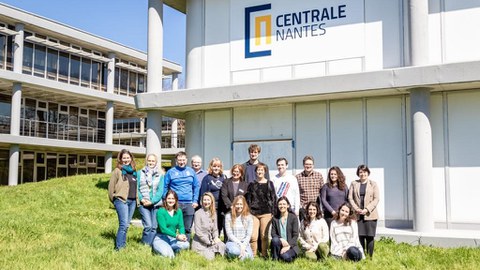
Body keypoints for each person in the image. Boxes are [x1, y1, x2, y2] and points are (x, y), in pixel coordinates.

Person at [163, 151, 200, 241]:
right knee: (175, 225)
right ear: (176, 160)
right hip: (175, 203)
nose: (181, 162)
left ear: (186, 160)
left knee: (187, 227)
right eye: (179, 160)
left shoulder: (191, 171)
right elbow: (164, 186)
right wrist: (165, 200)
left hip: (189, 203)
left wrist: (195, 200)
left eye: (183, 160)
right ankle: (174, 243)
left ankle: (185, 244)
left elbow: (196, 186)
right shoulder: (171, 172)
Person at [108, 149, 138, 251]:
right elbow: (111, 187)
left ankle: (123, 245)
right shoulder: (117, 171)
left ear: (131, 158)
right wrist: (114, 199)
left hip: (132, 201)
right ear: (120, 159)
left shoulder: (134, 172)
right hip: (121, 201)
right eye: (124, 158)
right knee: (123, 224)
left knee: (126, 225)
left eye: (128, 157)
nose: (126, 159)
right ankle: (119, 248)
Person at [246, 162, 277, 257]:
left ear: (265, 172)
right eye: (258, 170)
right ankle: (253, 255)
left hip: (266, 213)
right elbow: (248, 199)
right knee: (253, 236)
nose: (259, 172)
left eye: (261, 170)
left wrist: (273, 211)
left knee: (264, 235)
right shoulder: (251, 184)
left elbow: (274, 198)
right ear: (256, 172)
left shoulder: (269, 183)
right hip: (253, 213)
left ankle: (264, 254)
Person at [348, 164, 380, 258]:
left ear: (368, 173)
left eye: (365, 172)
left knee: (370, 236)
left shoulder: (373, 184)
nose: (363, 174)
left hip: (370, 214)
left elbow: (376, 199)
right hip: (357, 214)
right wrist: (356, 209)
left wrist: (367, 209)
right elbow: (350, 198)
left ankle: (370, 257)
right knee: (360, 236)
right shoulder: (354, 183)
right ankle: (362, 255)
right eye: (361, 172)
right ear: (358, 173)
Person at [152, 190, 190, 258]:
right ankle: (164, 250)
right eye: (169, 198)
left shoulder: (178, 211)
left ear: (176, 200)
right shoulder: (161, 211)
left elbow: (181, 226)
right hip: (161, 238)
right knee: (170, 256)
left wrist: (182, 234)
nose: (171, 200)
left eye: (173, 199)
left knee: (186, 244)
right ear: (165, 199)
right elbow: (163, 229)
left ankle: (169, 248)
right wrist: (177, 236)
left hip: (173, 239)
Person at [137, 153, 164, 245]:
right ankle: (144, 244)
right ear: (146, 161)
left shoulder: (160, 175)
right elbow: (136, 188)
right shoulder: (140, 173)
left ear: (156, 162)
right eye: (149, 160)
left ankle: (150, 245)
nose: (151, 162)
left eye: (153, 161)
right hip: (143, 203)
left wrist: (152, 201)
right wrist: (141, 199)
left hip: (155, 204)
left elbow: (160, 191)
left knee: (154, 226)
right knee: (148, 225)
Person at [192, 192, 226, 260]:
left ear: (211, 201)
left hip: (211, 241)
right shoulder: (198, 213)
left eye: (208, 200)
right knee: (210, 258)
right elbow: (198, 232)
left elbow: (215, 229)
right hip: (200, 243)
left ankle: (214, 251)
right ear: (202, 201)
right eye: (204, 200)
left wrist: (216, 237)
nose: (206, 202)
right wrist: (210, 242)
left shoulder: (213, 213)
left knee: (223, 246)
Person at [199, 157, 226, 239]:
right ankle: (210, 243)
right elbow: (203, 193)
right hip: (211, 207)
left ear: (221, 167)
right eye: (214, 166)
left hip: (222, 206)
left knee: (220, 225)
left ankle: (220, 243)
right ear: (211, 167)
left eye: (218, 166)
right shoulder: (207, 178)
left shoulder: (224, 177)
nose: (216, 168)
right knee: (212, 226)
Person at [270, 196, 300, 262]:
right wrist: (281, 239)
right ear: (277, 206)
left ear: (288, 205)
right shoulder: (275, 218)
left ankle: (286, 256)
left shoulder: (293, 217)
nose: (282, 206)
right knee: (274, 240)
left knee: (285, 257)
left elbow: (295, 235)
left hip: (291, 246)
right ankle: (275, 260)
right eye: (280, 204)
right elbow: (273, 233)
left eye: (284, 204)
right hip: (280, 245)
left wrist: (288, 246)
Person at [224, 195, 254, 260]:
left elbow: (248, 235)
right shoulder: (228, 216)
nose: (239, 206)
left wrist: (243, 245)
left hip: (244, 243)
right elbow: (229, 234)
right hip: (232, 242)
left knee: (250, 258)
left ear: (244, 205)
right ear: (234, 205)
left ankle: (239, 256)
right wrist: (240, 244)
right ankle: (233, 253)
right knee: (235, 251)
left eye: (241, 204)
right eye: (237, 204)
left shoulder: (249, 217)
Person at [296, 155, 324, 221]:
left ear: (313, 165)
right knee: (304, 229)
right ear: (303, 165)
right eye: (306, 164)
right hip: (303, 208)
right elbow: (296, 193)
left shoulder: (319, 176)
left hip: (315, 209)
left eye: (310, 164)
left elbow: (323, 192)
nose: (308, 166)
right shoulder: (298, 177)